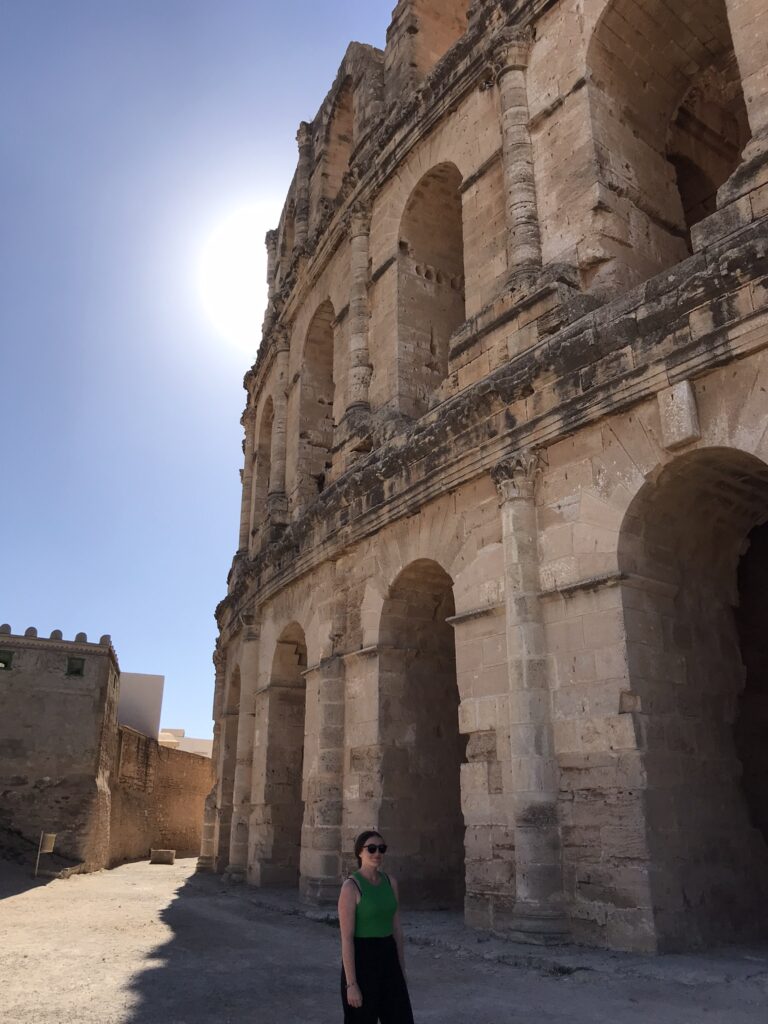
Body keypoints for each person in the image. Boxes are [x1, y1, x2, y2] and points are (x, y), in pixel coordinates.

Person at [338, 830, 415, 1023]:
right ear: (359, 852)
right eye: (371, 848)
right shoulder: (351, 887)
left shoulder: (390, 882)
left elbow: (397, 929)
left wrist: (402, 970)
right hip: (363, 959)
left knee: (400, 1018)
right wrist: (351, 984)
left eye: (381, 849)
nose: (377, 853)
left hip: (388, 956)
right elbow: (347, 939)